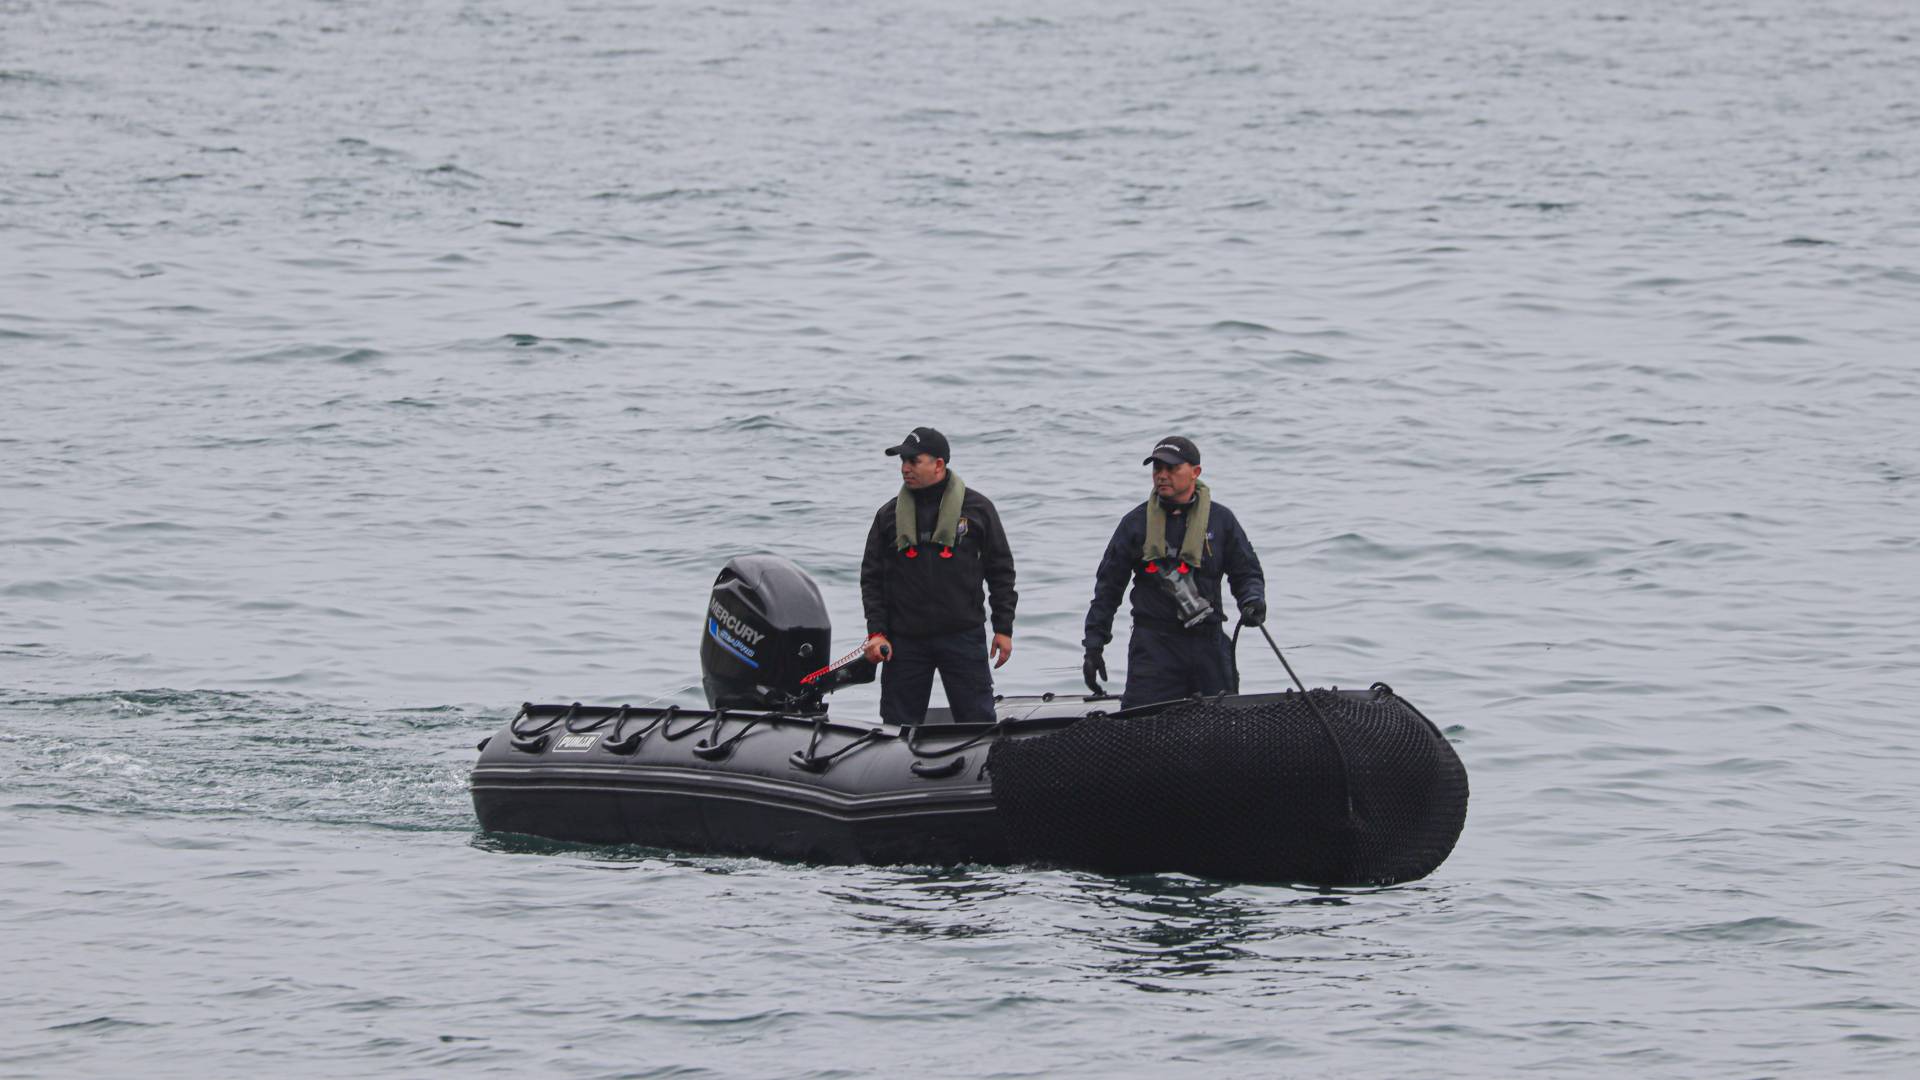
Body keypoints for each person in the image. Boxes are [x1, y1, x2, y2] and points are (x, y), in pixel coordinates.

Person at [1082, 436, 1266, 709]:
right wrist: (1094, 647)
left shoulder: (1221, 520)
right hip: (1154, 647)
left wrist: (1252, 600)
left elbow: (1246, 572)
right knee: (1141, 728)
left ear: (1195, 472)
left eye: (1171, 468)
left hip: (1209, 644)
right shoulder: (1135, 524)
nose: (1162, 476)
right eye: (1157, 469)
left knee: (1224, 726)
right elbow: (1108, 589)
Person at [860, 427, 1017, 725]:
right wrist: (876, 632)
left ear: (939, 464)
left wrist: (1003, 628)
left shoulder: (979, 509)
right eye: (902, 461)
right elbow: (872, 579)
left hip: (963, 636)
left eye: (913, 461)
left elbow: (1001, 571)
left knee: (977, 721)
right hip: (905, 641)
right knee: (897, 727)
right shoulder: (887, 516)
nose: (905, 468)